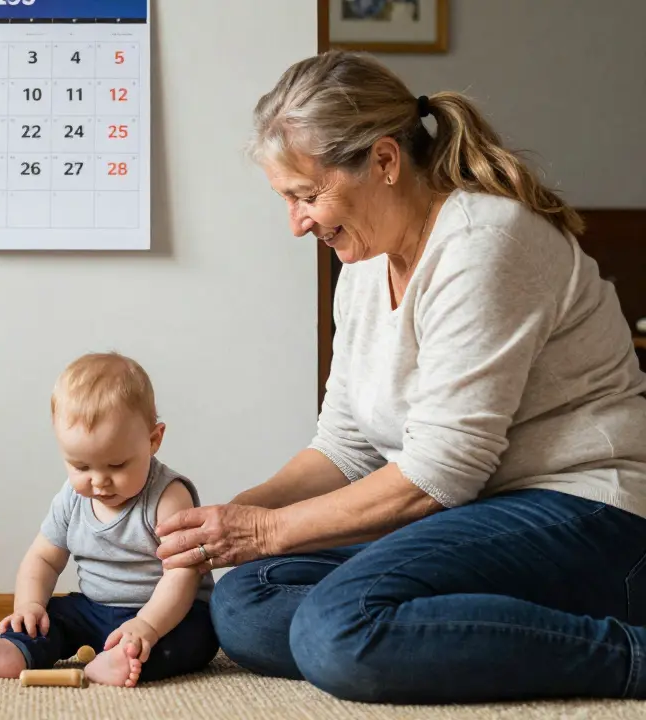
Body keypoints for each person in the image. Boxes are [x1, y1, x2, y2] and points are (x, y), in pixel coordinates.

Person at [154, 50, 646, 705]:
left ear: (385, 161)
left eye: (307, 195)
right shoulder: (362, 266)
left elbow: (442, 474)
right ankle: (441, 630)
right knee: (247, 599)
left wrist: (263, 531)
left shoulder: (483, 241)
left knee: (336, 631)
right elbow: (346, 443)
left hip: (587, 516)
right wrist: (229, 520)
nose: (297, 223)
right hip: (474, 520)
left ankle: (630, 655)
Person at [0, 352, 219, 687]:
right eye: (81, 467)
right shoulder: (71, 499)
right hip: (95, 609)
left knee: (195, 637)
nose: (99, 481)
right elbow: (43, 559)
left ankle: (122, 660)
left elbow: (181, 576)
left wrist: (146, 626)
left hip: (167, 613)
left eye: (117, 465)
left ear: (153, 440)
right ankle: (15, 651)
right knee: (51, 618)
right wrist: (30, 605)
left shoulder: (168, 497)